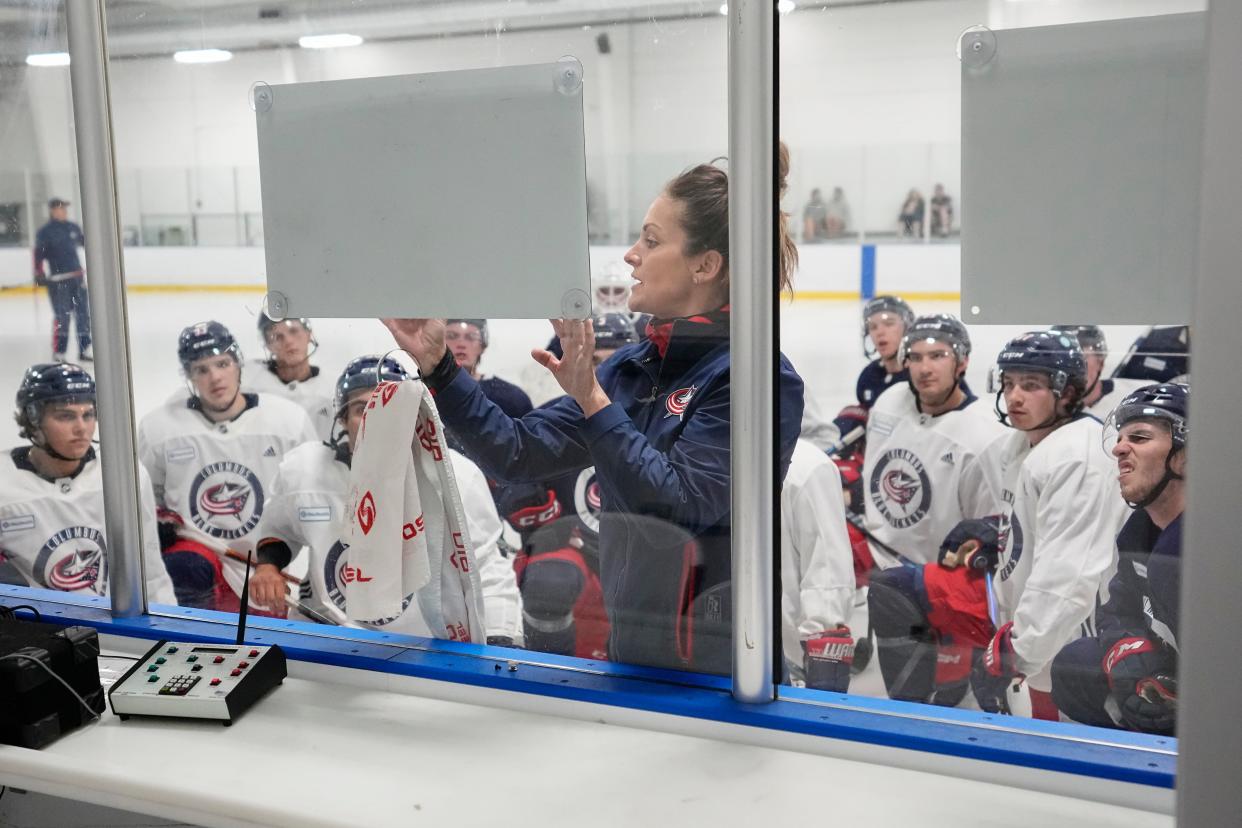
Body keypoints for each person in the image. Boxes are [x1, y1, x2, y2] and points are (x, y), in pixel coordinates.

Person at [383, 149, 805, 674]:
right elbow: (516, 452)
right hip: (634, 655)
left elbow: (679, 507)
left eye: (651, 241)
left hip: (722, 676)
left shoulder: (755, 378)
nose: (631, 255)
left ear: (706, 265)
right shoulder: (633, 367)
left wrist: (594, 400)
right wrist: (440, 366)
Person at [249, 355, 523, 645]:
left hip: (420, 648)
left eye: (388, 406)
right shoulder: (305, 470)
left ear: (411, 416)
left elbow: (488, 567)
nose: (374, 417)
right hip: (329, 638)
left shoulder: (454, 477)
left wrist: (499, 637)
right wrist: (268, 566)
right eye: (360, 408)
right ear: (342, 419)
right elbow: (278, 531)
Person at [949, 331, 1129, 719]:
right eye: (1009, 383)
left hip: (1071, 638)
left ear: (1067, 392)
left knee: (1070, 750)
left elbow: (1067, 576)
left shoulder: (1077, 457)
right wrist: (997, 533)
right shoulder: (1020, 444)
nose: (1014, 396)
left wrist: (1018, 651)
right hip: (1039, 636)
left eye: (1030, 386)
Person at [861, 314, 1006, 704]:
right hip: (885, 563)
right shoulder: (891, 402)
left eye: (938, 356)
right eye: (916, 356)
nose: (925, 368)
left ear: (962, 362)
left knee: (945, 699)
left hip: (942, 580)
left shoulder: (984, 436)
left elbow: (988, 530)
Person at [137, 321, 317, 612]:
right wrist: (159, 523)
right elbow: (146, 499)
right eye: (201, 370)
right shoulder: (160, 428)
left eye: (222, 364)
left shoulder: (288, 421)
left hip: (265, 565)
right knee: (186, 566)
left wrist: (276, 561)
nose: (215, 378)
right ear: (189, 376)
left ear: (238, 364)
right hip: (198, 558)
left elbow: (309, 496)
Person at [1051, 383, 1187, 734]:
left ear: (1186, 456)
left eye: (1139, 438)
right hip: (1174, 678)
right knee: (1075, 666)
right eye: (1121, 438)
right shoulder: (1139, 531)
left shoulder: (1217, 545)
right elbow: (1117, 612)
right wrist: (1131, 654)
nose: (1119, 448)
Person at [0, 363, 175, 603]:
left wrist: (164, 627)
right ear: (33, 419)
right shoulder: (4, 484)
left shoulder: (123, 474)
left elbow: (150, 569)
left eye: (88, 414)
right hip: (32, 633)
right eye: (65, 416)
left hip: (113, 630)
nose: (81, 428)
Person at [781, 439, 857, 692]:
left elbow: (827, 571)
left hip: (786, 665)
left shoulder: (806, 466)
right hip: (715, 642)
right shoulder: (694, 450)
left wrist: (822, 650)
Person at [244, 314, 335, 440]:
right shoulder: (247, 382)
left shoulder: (331, 392)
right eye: (277, 336)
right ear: (268, 345)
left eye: (294, 331)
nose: (288, 341)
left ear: (308, 334)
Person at [32, 198, 91, 363]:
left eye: (65, 207)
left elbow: (88, 243)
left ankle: (84, 348)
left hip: (77, 279)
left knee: (83, 315)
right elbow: (38, 255)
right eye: (61, 207)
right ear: (52, 210)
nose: (64, 210)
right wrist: (39, 273)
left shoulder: (72, 227)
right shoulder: (45, 232)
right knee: (62, 317)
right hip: (58, 283)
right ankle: (59, 353)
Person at [1048, 325, 1147, 418]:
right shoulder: (1046, 411)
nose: (1070, 367)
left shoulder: (1141, 394)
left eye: (1080, 358)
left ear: (1100, 363)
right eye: (1061, 359)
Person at [444, 319, 533, 419]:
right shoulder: (425, 392)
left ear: (482, 346)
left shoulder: (513, 399)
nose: (461, 344)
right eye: (451, 336)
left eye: (471, 337)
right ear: (439, 343)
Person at [856, 295, 915, 409]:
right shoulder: (869, 376)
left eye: (889, 324)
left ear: (907, 327)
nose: (880, 332)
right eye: (873, 327)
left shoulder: (920, 376)